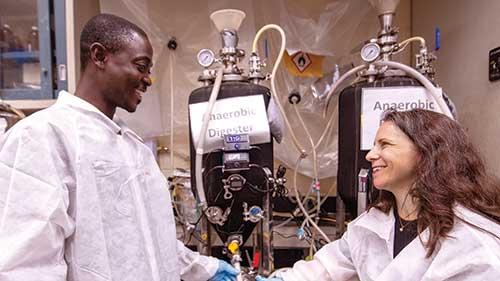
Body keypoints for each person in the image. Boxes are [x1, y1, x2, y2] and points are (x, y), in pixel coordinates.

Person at [0, 14, 239, 281]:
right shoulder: (43, 136)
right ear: (99, 56)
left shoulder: (132, 147)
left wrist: (207, 269)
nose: (148, 80)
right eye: (141, 66)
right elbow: (26, 267)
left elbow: (155, 242)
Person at [257, 109, 500, 281]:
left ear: (425, 152)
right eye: (374, 145)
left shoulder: (472, 241)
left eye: (385, 144)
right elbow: (325, 270)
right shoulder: (374, 223)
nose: (371, 155)